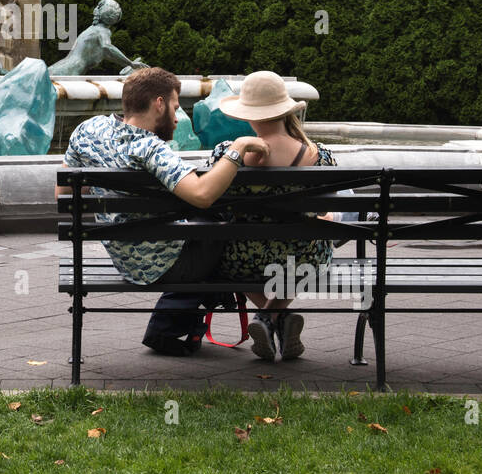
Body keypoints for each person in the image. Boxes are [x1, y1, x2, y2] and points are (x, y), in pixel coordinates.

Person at [56, 67, 269, 354]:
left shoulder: (88, 130)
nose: (177, 116)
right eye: (175, 107)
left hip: (122, 257)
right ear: (158, 104)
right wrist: (238, 148)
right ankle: (272, 314)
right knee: (227, 228)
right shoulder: (150, 149)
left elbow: (63, 192)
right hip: (161, 266)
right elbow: (203, 194)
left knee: (212, 225)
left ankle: (267, 315)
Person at [203, 70, 338, 362]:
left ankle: (268, 317)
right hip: (302, 260)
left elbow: (213, 204)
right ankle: (274, 317)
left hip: (240, 260)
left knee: (231, 252)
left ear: (247, 114)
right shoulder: (320, 157)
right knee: (312, 243)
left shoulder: (225, 155)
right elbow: (321, 210)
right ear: (285, 110)